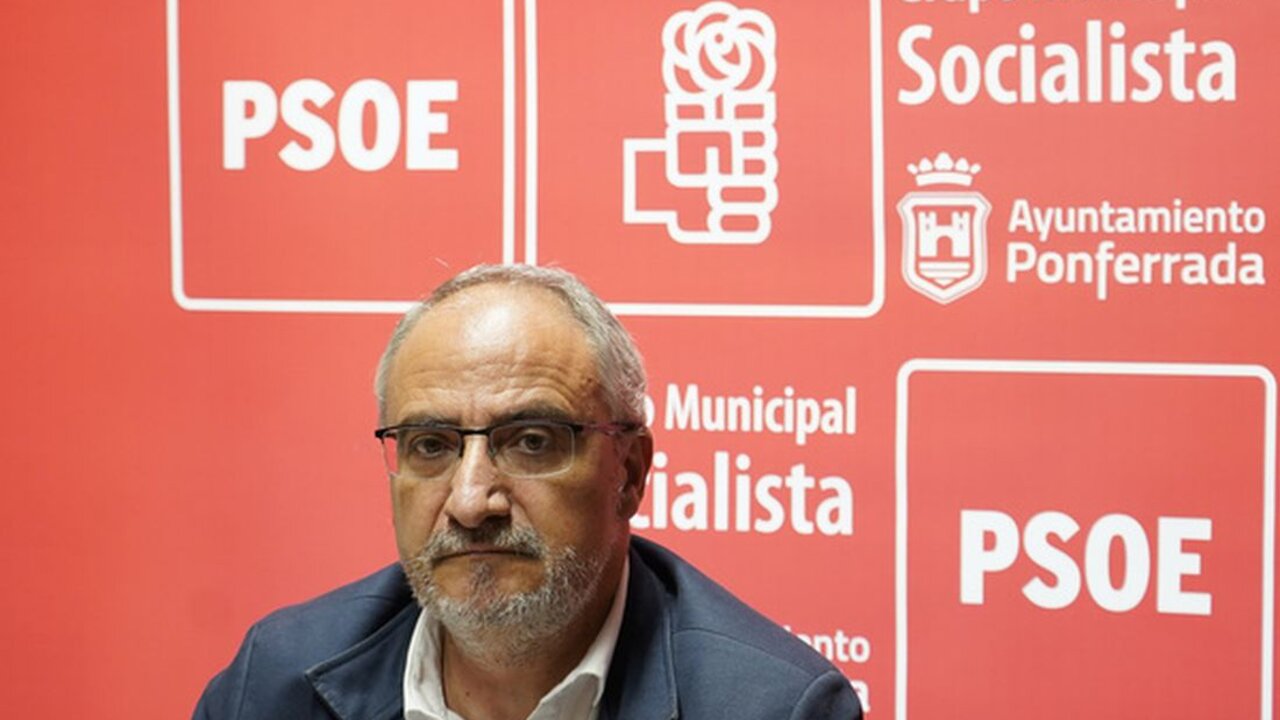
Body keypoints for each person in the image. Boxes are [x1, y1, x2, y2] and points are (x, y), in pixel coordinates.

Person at [194, 264, 862, 720]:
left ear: (628, 474)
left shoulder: (772, 708)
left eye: (531, 441)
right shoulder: (277, 681)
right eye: (431, 446)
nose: (470, 500)